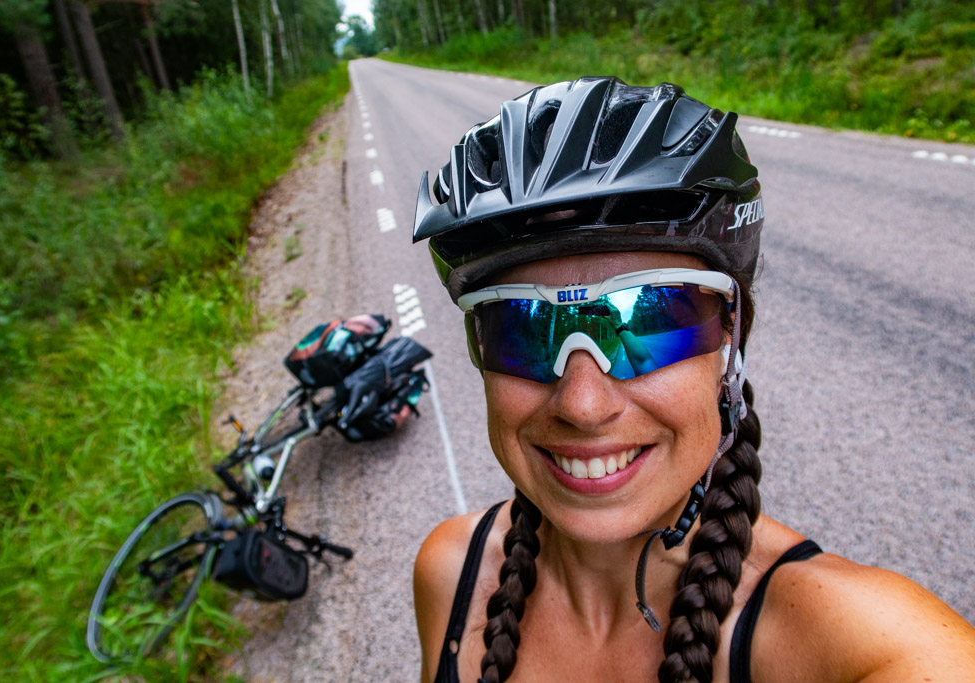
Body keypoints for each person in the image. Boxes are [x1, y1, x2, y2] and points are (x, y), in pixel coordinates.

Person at [410, 78, 975, 683]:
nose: (582, 403)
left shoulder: (870, 644)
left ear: (730, 336)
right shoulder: (448, 574)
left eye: (650, 315)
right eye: (520, 329)